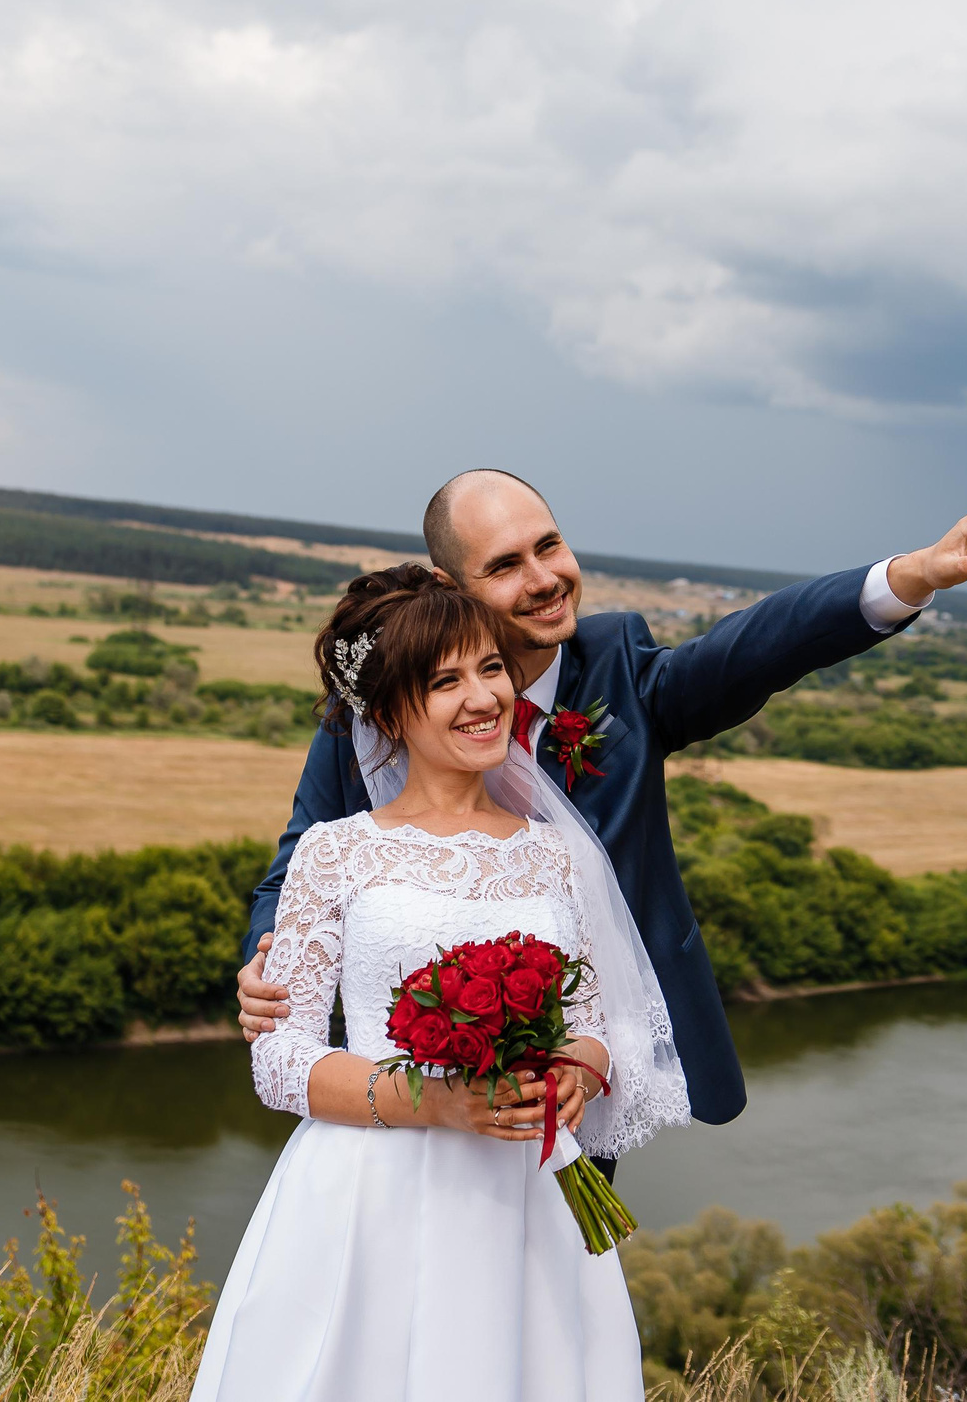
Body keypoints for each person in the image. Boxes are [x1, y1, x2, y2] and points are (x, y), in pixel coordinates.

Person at [239, 472, 967, 1129]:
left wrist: (909, 577)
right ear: (451, 588)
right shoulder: (375, 713)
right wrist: (267, 966)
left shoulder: (619, 665)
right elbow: (304, 857)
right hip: (407, 1086)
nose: (545, 579)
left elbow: (758, 646)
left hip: (578, 1078)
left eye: (550, 546)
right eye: (505, 565)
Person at [190, 571, 684, 1402]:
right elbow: (279, 1063)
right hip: (367, 1199)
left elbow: (598, 1021)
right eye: (444, 681)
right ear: (386, 713)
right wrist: (441, 1102)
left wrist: (577, 1067)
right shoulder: (335, 853)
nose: (482, 696)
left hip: (526, 1196)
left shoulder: (557, 852)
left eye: (490, 668)